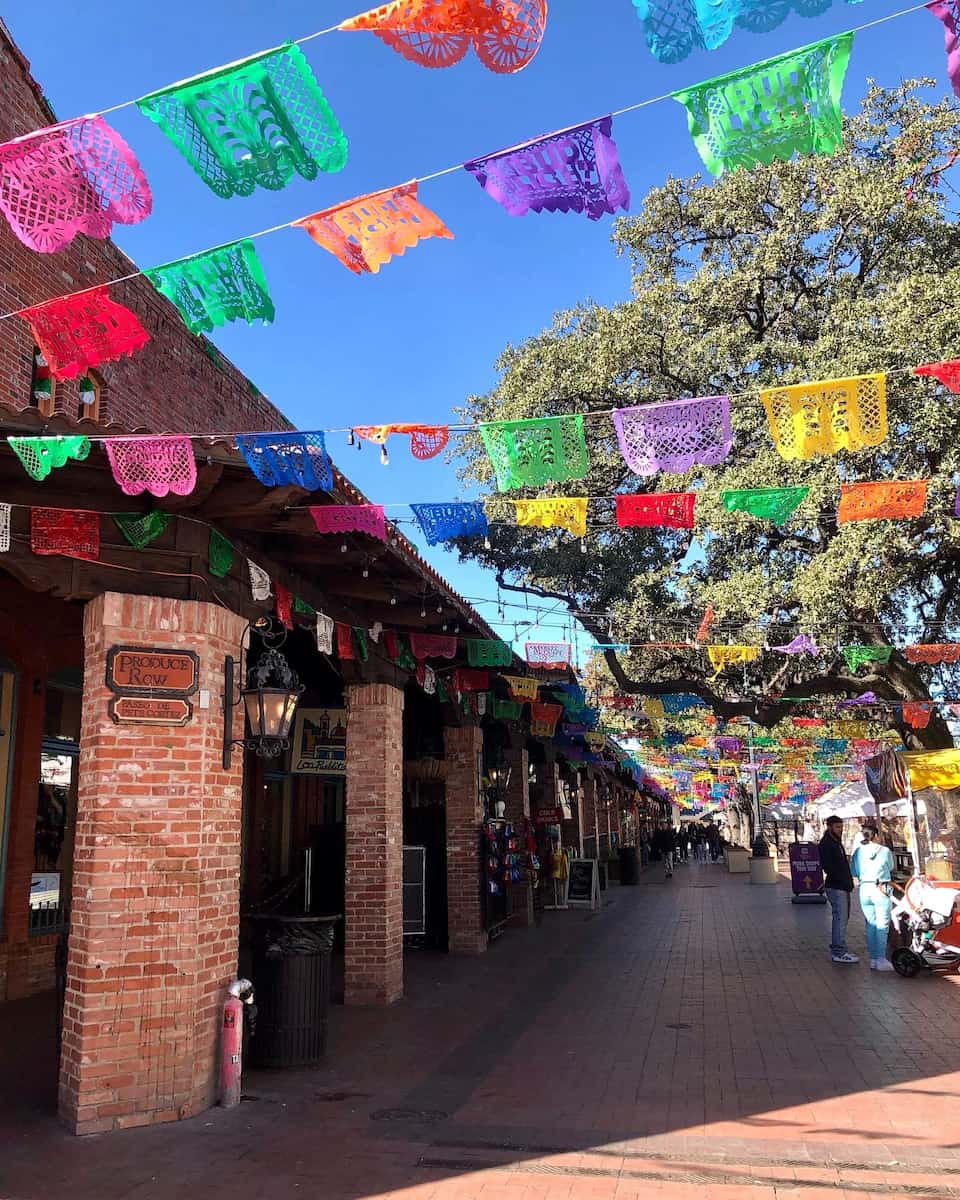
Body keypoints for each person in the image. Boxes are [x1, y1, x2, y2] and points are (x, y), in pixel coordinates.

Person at [851, 824, 895, 971]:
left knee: (870, 924)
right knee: (882, 924)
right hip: (881, 888)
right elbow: (890, 867)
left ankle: (873, 959)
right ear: (875, 835)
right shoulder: (885, 850)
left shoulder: (858, 852)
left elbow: (854, 871)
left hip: (864, 889)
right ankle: (881, 958)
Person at [819, 815, 858, 963]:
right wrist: (842, 879)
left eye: (841, 826)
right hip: (836, 886)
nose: (840, 830)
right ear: (829, 827)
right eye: (837, 827)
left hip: (841, 885)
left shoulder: (836, 842)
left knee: (842, 918)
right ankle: (839, 951)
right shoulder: (827, 844)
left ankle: (838, 948)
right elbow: (828, 866)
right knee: (840, 919)